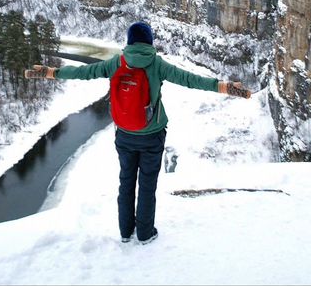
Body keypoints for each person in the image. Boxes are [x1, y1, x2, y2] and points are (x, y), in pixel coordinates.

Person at [24, 21, 251, 245]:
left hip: (124, 135)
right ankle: (144, 233)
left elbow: (84, 72)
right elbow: (190, 79)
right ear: (149, 42)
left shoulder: (116, 63)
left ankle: (125, 232)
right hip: (152, 136)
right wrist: (223, 86)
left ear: (130, 42)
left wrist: (51, 72)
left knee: (126, 183)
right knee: (147, 185)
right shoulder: (157, 64)